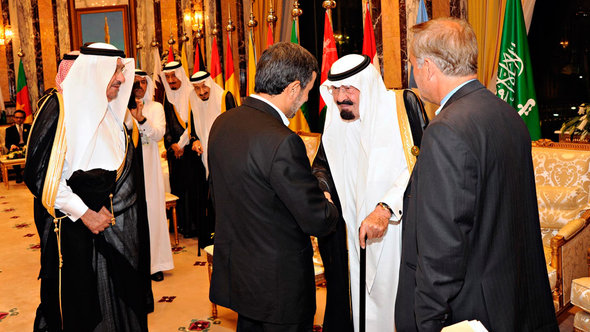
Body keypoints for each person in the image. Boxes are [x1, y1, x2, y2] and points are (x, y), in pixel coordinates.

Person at [395, 17, 558, 331]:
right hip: (512, 295)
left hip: (470, 307)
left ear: (428, 66)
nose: (414, 75)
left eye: (413, 65)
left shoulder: (446, 130)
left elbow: (443, 239)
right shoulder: (506, 113)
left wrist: (427, 318)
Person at [208, 42, 339, 332]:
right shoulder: (282, 141)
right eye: (307, 91)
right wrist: (326, 199)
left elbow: (217, 196)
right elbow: (317, 219)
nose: (305, 100)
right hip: (280, 288)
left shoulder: (222, 123)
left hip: (241, 278)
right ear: (293, 88)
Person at [24, 43, 153, 332]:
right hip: (75, 237)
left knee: (119, 307)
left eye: (121, 70)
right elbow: (42, 176)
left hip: (114, 234)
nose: (121, 78)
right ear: (95, 71)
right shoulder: (59, 109)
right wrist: (85, 213)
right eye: (115, 71)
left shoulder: (112, 115)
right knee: (82, 309)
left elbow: (122, 175)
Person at [314, 54, 410, 332]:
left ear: (365, 86)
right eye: (335, 89)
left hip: (393, 231)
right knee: (352, 303)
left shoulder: (397, 114)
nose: (341, 97)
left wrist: (385, 208)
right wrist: (322, 188)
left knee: (390, 305)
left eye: (349, 89)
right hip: (349, 235)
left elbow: (417, 167)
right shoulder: (334, 120)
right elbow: (322, 165)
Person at [127, 68, 174, 282]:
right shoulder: (121, 107)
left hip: (150, 166)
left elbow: (158, 134)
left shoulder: (156, 107)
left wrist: (142, 119)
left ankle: (155, 264)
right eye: (135, 82)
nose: (140, 86)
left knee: (153, 212)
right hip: (128, 166)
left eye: (143, 82)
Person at [160, 61, 208, 243]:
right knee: (178, 187)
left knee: (193, 188)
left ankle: (194, 226)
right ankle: (180, 225)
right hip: (175, 154)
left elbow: (194, 123)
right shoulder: (167, 98)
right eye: (167, 77)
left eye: (173, 76)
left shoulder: (191, 93)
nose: (171, 81)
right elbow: (165, 123)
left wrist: (181, 144)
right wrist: (171, 144)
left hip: (190, 151)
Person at [5, 109, 30, 182]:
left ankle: (27, 175)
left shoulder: (29, 127)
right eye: (17, 117)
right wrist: (12, 146)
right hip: (16, 148)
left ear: (24, 119)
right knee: (14, 155)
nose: (19, 119)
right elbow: (7, 143)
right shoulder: (9, 130)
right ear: (13, 118)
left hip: (27, 147)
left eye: (21, 118)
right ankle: (18, 175)